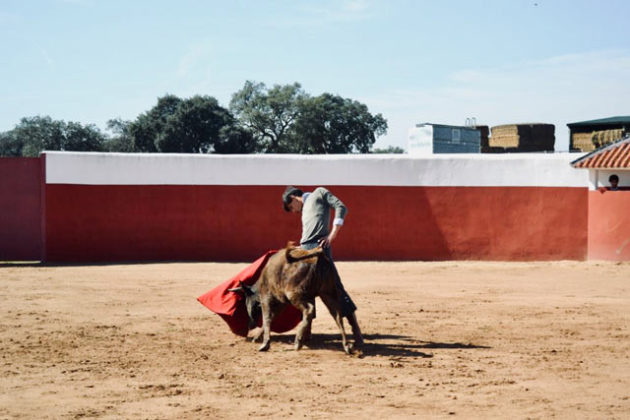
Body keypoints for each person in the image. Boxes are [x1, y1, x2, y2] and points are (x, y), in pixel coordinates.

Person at [281, 185, 364, 346]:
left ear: (293, 198)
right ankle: (306, 333)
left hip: (320, 249)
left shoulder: (319, 192)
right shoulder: (305, 209)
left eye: (292, 208)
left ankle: (356, 332)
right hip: (306, 249)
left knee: (335, 288)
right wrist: (302, 246)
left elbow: (341, 206)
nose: (295, 212)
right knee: (304, 291)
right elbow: (310, 231)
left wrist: (332, 235)